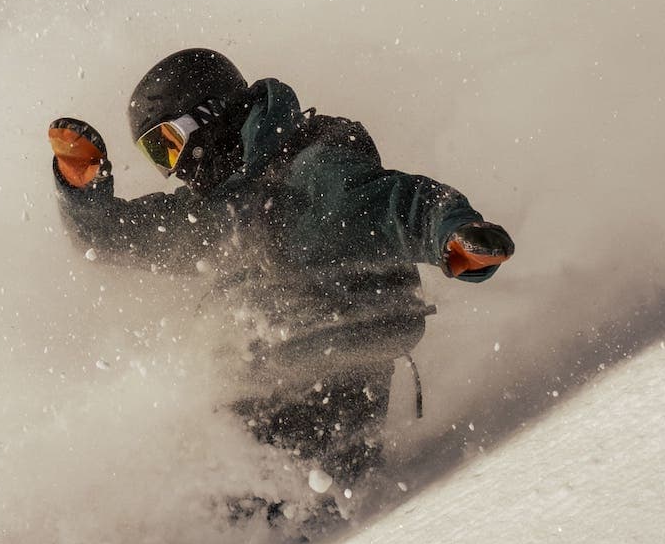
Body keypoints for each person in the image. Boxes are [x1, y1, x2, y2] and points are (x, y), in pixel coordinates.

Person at [47, 47, 514, 495]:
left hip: (327, 348)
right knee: (302, 496)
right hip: (277, 371)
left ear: (209, 118)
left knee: (300, 489)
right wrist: (82, 185)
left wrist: (456, 237)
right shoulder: (217, 211)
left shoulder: (313, 171)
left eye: (167, 146)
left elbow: (403, 202)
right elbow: (111, 237)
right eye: (156, 157)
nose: (174, 170)